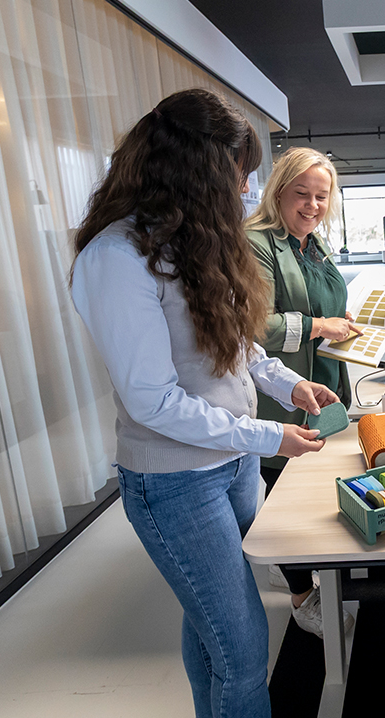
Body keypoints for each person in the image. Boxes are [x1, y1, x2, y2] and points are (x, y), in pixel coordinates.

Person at [70, 89, 336, 718]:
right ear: (199, 172)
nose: (247, 192)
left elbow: (234, 349)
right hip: (173, 482)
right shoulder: (116, 257)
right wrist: (270, 438)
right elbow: (153, 402)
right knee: (242, 650)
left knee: (208, 625)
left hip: (231, 464)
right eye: (240, 177)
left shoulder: (195, 242)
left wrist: (285, 385)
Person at [244, 147, 358, 637]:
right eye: (301, 194)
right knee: (283, 496)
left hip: (321, 382)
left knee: (311, 490)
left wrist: (343, 325)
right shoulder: (255, 242)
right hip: (279, 389)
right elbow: (255, 326)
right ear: (279, 191)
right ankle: (300, 595)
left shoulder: (313, 242)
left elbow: (326, 304)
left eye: (320, 196)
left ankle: (302, 567)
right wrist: (318, 326)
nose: (312, 205)